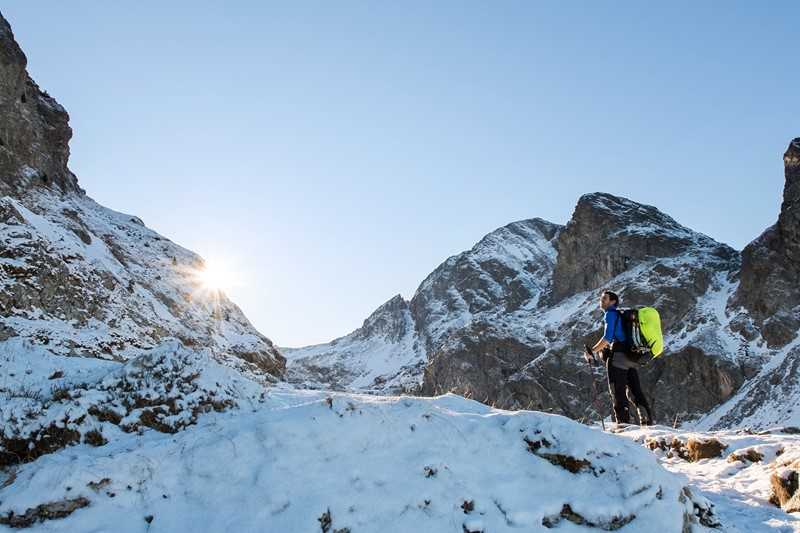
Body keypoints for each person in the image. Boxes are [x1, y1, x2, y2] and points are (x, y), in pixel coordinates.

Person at [585, 289, 653, 426]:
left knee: (617, 391)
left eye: (604, 298)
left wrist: (592, 351)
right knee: (635, 391)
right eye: (601, 298)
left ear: (613, 302)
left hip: (617, 357)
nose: (601, 301)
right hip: (631, 358)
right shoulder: (622, 315)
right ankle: (647, 421)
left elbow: (608, 337)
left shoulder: (610, 314)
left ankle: (623, 425)